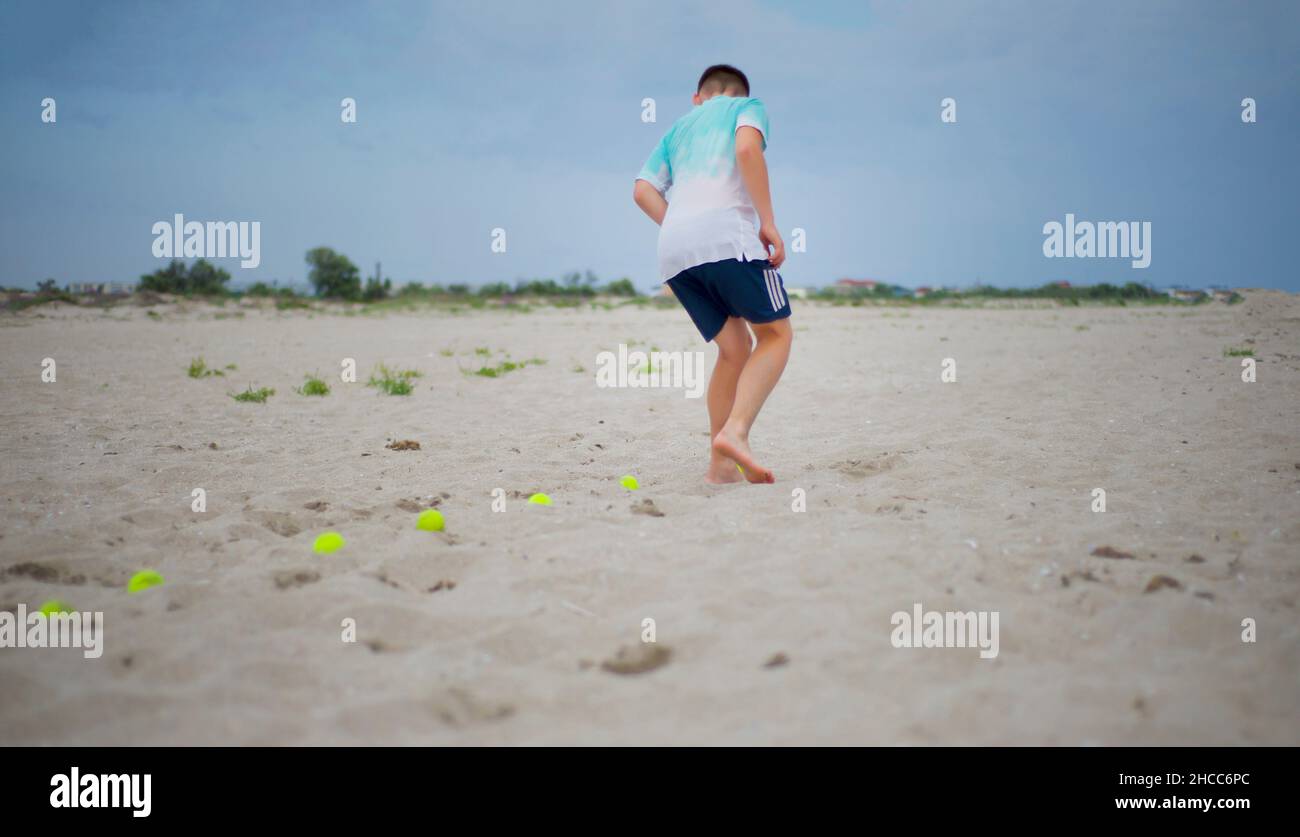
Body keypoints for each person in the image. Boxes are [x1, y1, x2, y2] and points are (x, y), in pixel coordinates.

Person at [633, 64, 792, 484]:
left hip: (674, 252)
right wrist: (769, 222)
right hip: (728, 240)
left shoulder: (677, 129)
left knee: (734, 350)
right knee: (776, 336)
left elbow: (642, 190)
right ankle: (736, 433)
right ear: (738, 94)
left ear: (697, 97)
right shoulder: (748, 106)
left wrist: (682, 227)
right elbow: (746, 151)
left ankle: (721, 466)